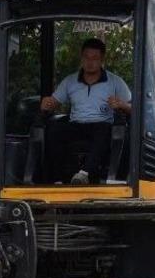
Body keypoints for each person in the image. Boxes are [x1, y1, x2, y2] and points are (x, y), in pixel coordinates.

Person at [40, 37, 132, 184]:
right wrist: (47, 104)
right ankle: (60, 178)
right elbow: (54, 102)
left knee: (104, 130)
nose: (90, 62)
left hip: (102, 124)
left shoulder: (115, 82)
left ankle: (84, 174)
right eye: (86, 57)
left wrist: (121, 104)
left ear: (102, 59)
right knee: (53, 130)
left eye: (95, 58)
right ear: (81, 58)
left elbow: (133, 109)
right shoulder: (70, 81)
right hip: (76, 124)